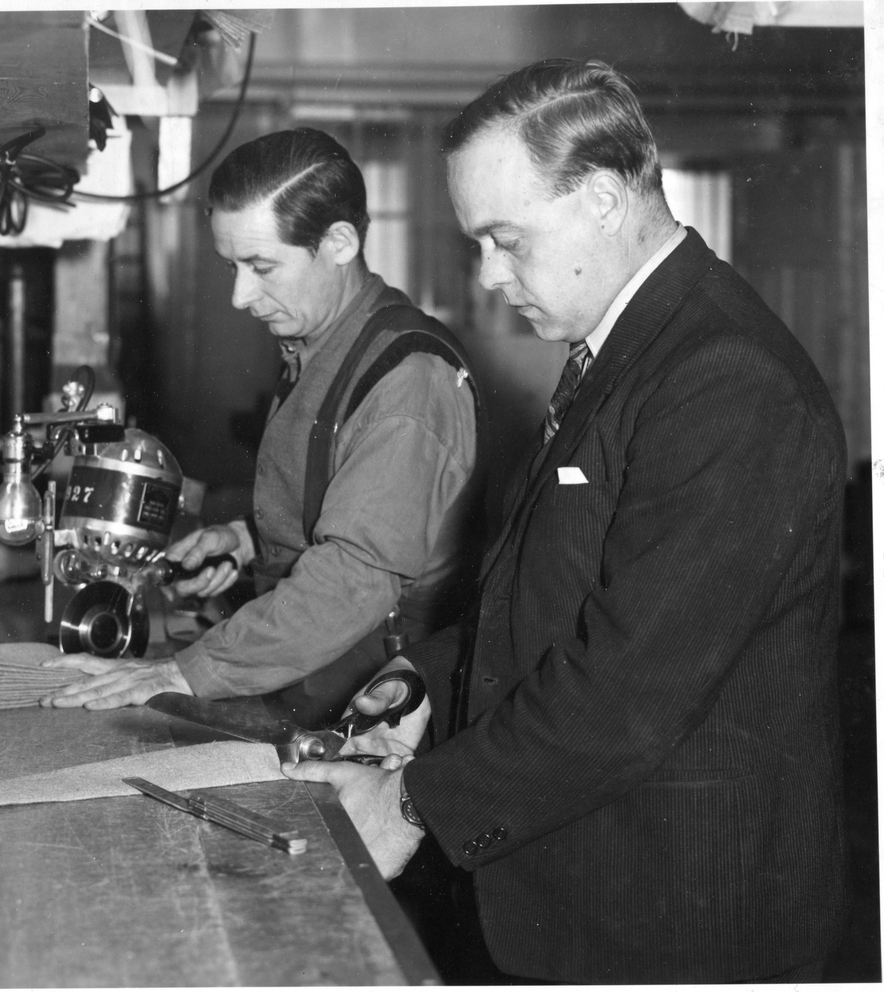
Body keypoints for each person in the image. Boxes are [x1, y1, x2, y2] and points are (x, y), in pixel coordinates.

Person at [284, 59, 848, 984]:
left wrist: (408, 806)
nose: (488, 276)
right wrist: (425, 682)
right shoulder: (632, 347)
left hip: (676, 927)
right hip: (591, 895)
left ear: (603, 200)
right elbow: (559, 596)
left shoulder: (725, 379)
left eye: (506, 240)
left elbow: (626, 687)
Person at [42, 128, 482, 728]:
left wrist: (180, 673)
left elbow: (354, 580)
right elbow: (345, 498)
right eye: (233, 266)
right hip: (320, 665)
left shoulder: (408, 380)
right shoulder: (324, 343)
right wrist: (246, 539)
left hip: (378, 695)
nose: (240, 295)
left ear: (339, 243)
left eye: (262, 266)